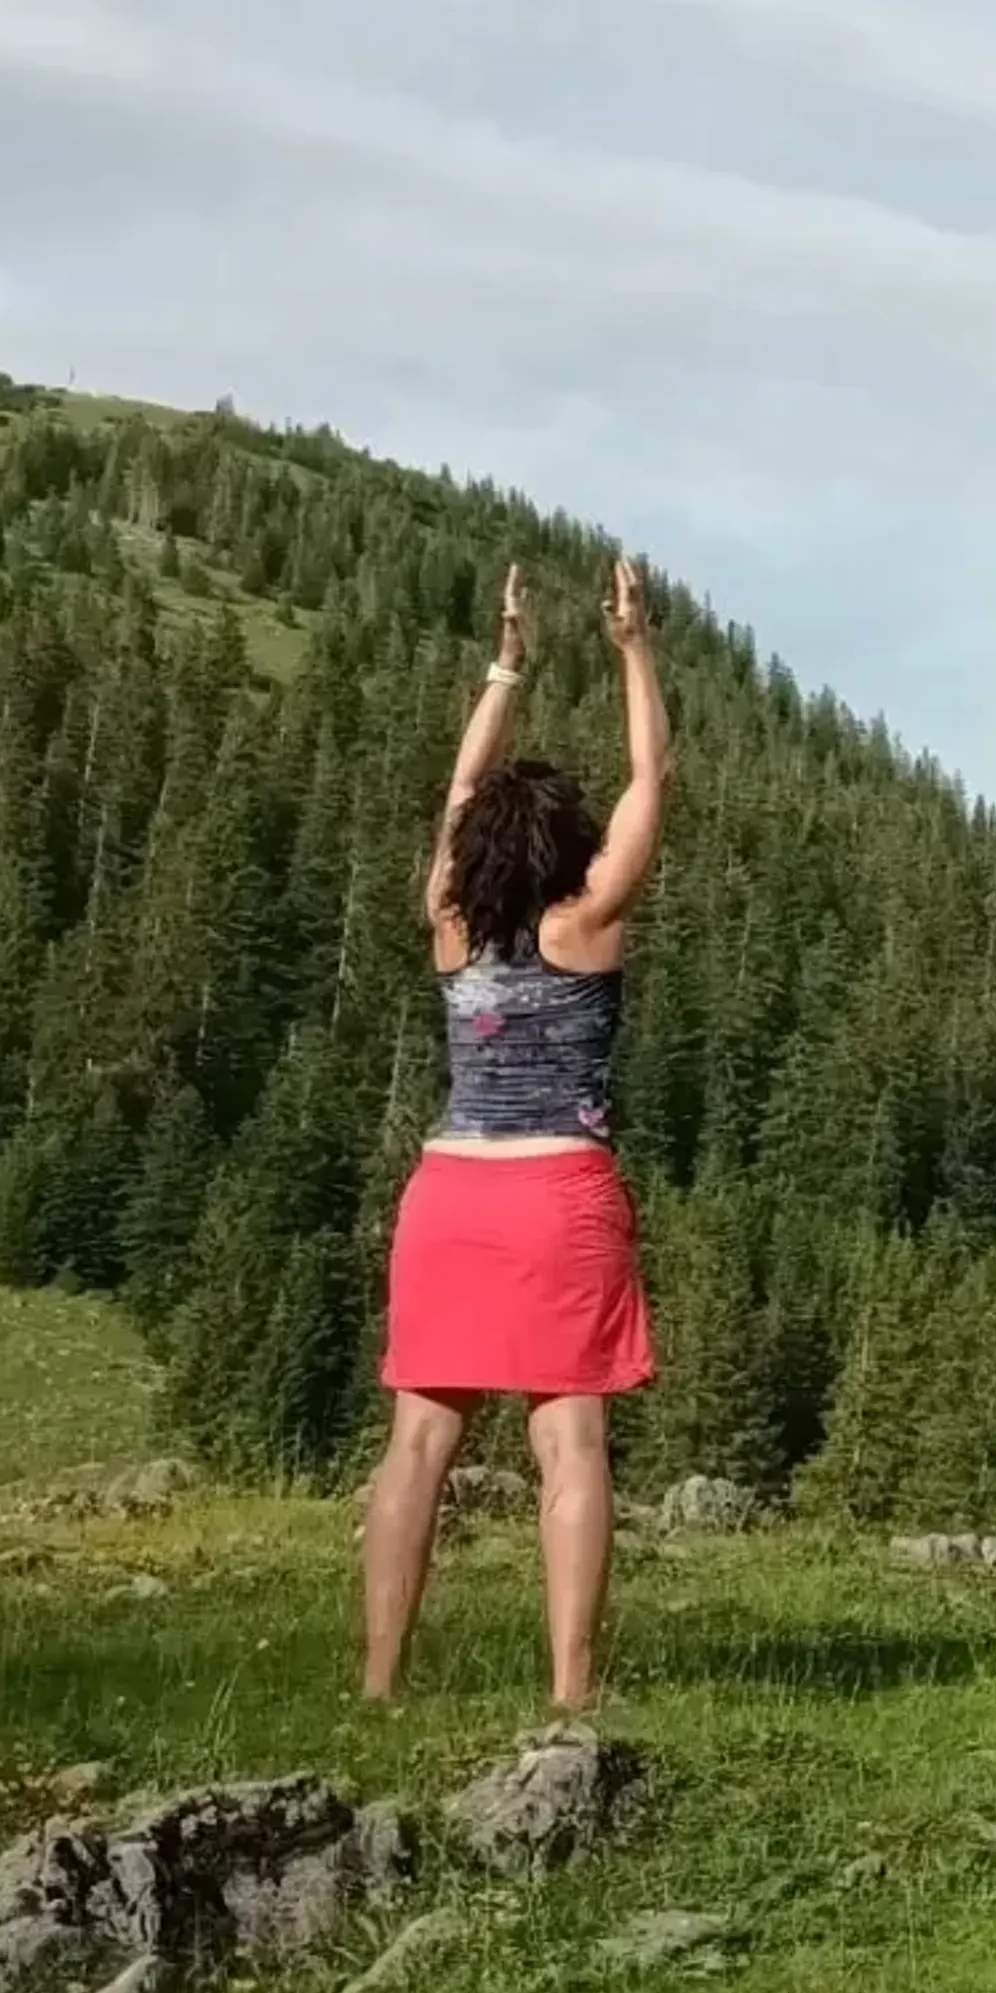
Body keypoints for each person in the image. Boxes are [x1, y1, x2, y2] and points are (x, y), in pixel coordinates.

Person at [362, 558, 669, 1713]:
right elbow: (652, 774)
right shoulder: (588, 923)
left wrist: (506, 666)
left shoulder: (449, 925)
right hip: (557, 1196)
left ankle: (382, 1683)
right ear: (568, 849)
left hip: (447, 1195)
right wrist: (632, 646)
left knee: (416, 1451)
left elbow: (457, 786)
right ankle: (572, 1692)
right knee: (570, 1446)